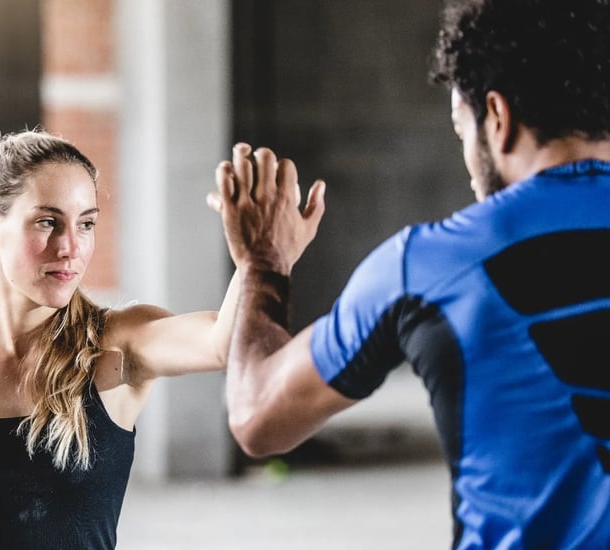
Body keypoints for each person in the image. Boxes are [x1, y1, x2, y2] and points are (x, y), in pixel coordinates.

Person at [207, 0, 610, 548]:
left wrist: (264, 264)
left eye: (461, 130)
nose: (470, 168)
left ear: (497, 118)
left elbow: (257, 415)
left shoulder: (428, 265)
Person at [0, 129, 247, 549]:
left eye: (86, 224)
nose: (71, 247)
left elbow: (223, 343)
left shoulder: (118, 342)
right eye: (48, 222)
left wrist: (255, 261)